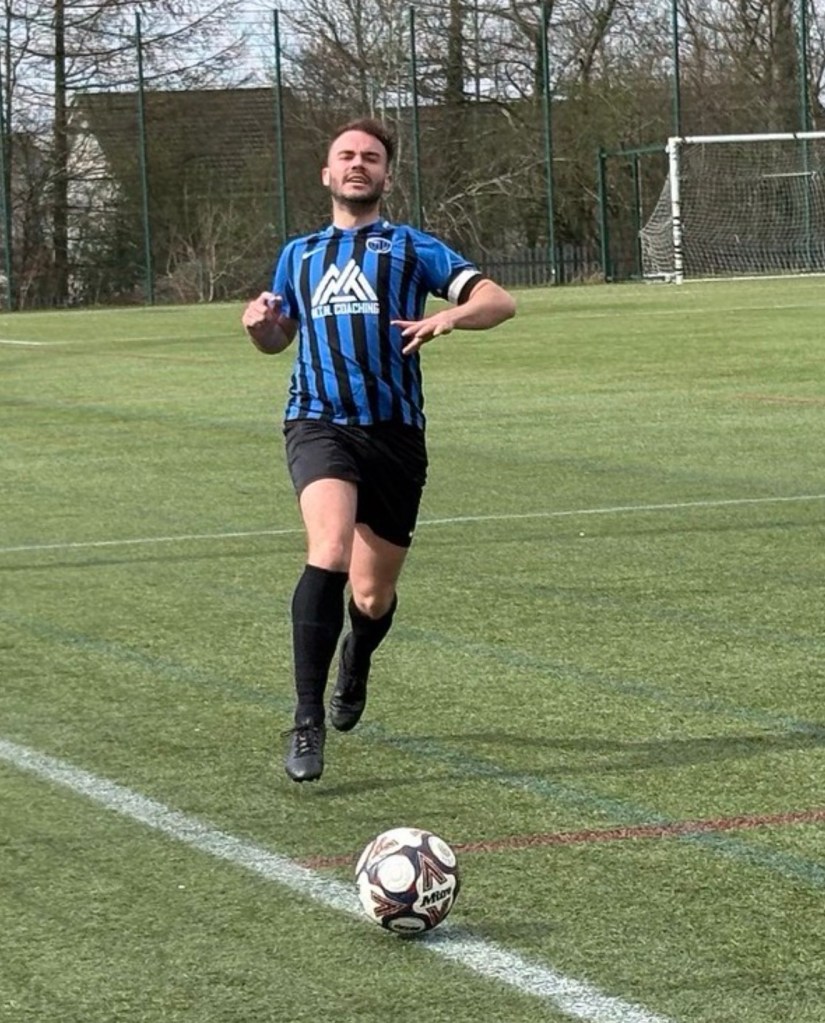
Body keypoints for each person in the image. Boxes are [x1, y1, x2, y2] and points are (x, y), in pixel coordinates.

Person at [241, 117, 516, 783]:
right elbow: (278, 339)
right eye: (346, 155)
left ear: (386, 175)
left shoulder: (412, 247)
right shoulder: (298, 254)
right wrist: (259, 327)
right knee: (328, 548)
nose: (357, 163)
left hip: (394, 432)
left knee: (370, 594)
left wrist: (450, 314)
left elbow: (498, 300)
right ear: (326, 173)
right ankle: (306, 720)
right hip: (318, 421)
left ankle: (357, 654)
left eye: (370, 156)